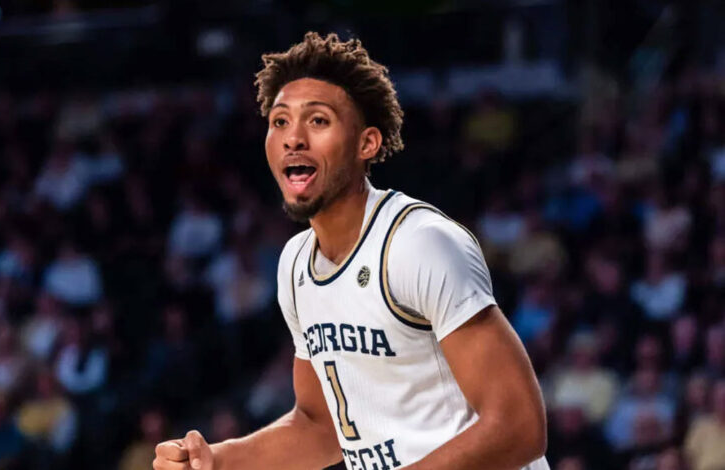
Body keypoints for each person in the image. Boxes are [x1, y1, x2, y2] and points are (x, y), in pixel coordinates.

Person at [154, 32, 549, 470]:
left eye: (317, 120)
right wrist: (218, 460)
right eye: (280, 121)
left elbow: (520, 427)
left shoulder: (418, 244)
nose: (293, 138)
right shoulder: (296, 264)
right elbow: (320, 427)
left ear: (367, 144)